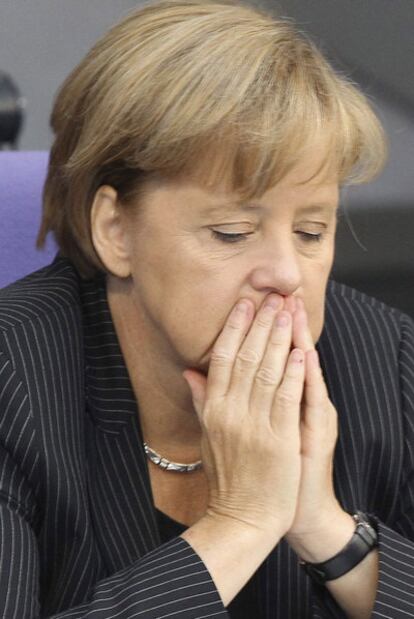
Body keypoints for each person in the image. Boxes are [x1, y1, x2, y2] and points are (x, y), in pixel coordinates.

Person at [0, 1, 413, 617]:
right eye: (231, 232)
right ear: (115, 229)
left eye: (311, 233)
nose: (285, 276)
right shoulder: (14, 381)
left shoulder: (384, 356)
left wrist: (329, 532)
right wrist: (239, 525)